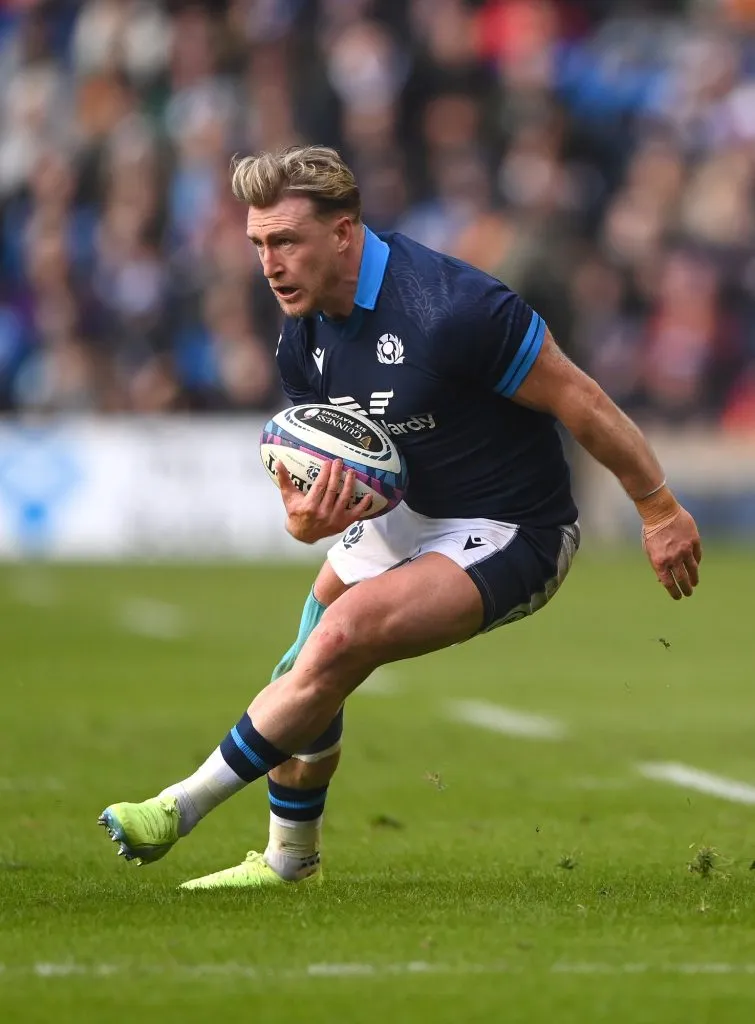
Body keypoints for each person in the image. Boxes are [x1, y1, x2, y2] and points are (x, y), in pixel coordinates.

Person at [98, 145, 702, 889]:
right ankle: (291, 863)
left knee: (341, 639)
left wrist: (658, 506)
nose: (268, 263)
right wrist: (301, 515)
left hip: (514, 525)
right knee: (304, 664)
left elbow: (581, 399)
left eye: (285, 240)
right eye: (257, 244)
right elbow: (312, 466)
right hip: (408, 514)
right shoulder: (302, 338)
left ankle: (176, 807)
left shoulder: (452, 309)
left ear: (344, 232)